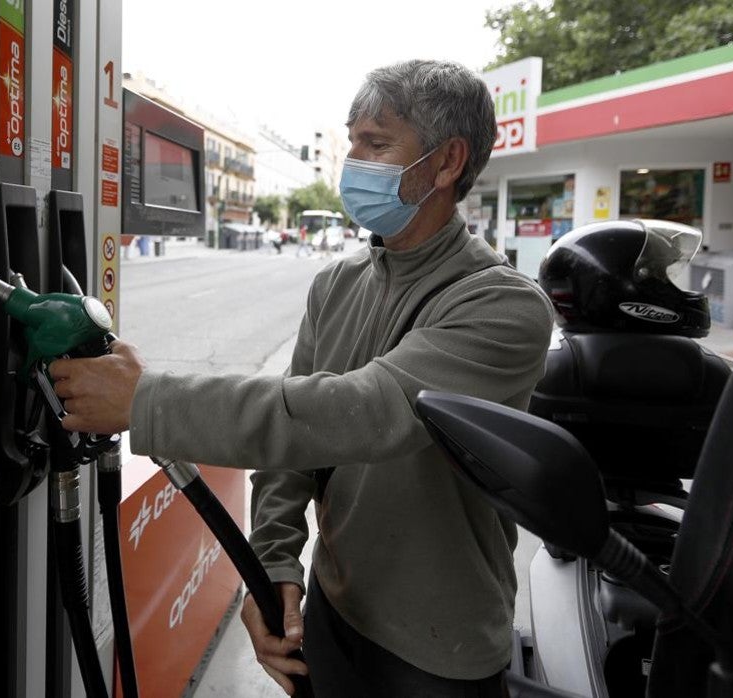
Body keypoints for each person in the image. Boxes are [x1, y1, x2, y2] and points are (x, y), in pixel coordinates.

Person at [48, 59, 553, 697]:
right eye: (352, 142)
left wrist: (147, 398)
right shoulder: (337, 286)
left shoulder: (503, 306)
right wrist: (275, 562)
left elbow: (365, 412)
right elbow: (293, 456)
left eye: (375, 143)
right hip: (333, 614)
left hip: (439, 649)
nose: (352, 162)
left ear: (448, 161)